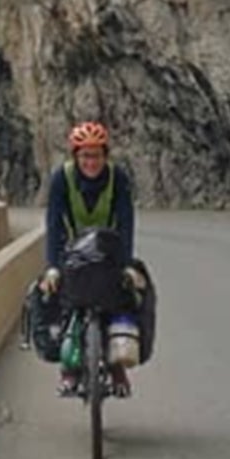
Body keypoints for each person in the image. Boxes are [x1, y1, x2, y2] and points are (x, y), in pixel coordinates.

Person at [39, 121, 139, 396]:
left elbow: (127, 223)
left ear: (105, 156)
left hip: (109, 250)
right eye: (85, 155)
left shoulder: (118, 179)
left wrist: (127, 264)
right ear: (75, 156)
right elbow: (54, 224)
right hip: (71, 253)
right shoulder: (62, 179)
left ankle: (118, 367)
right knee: (62, 297)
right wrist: (51, 267)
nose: (90, 162)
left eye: (96, 155)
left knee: (127, 294)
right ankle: (69, 370)